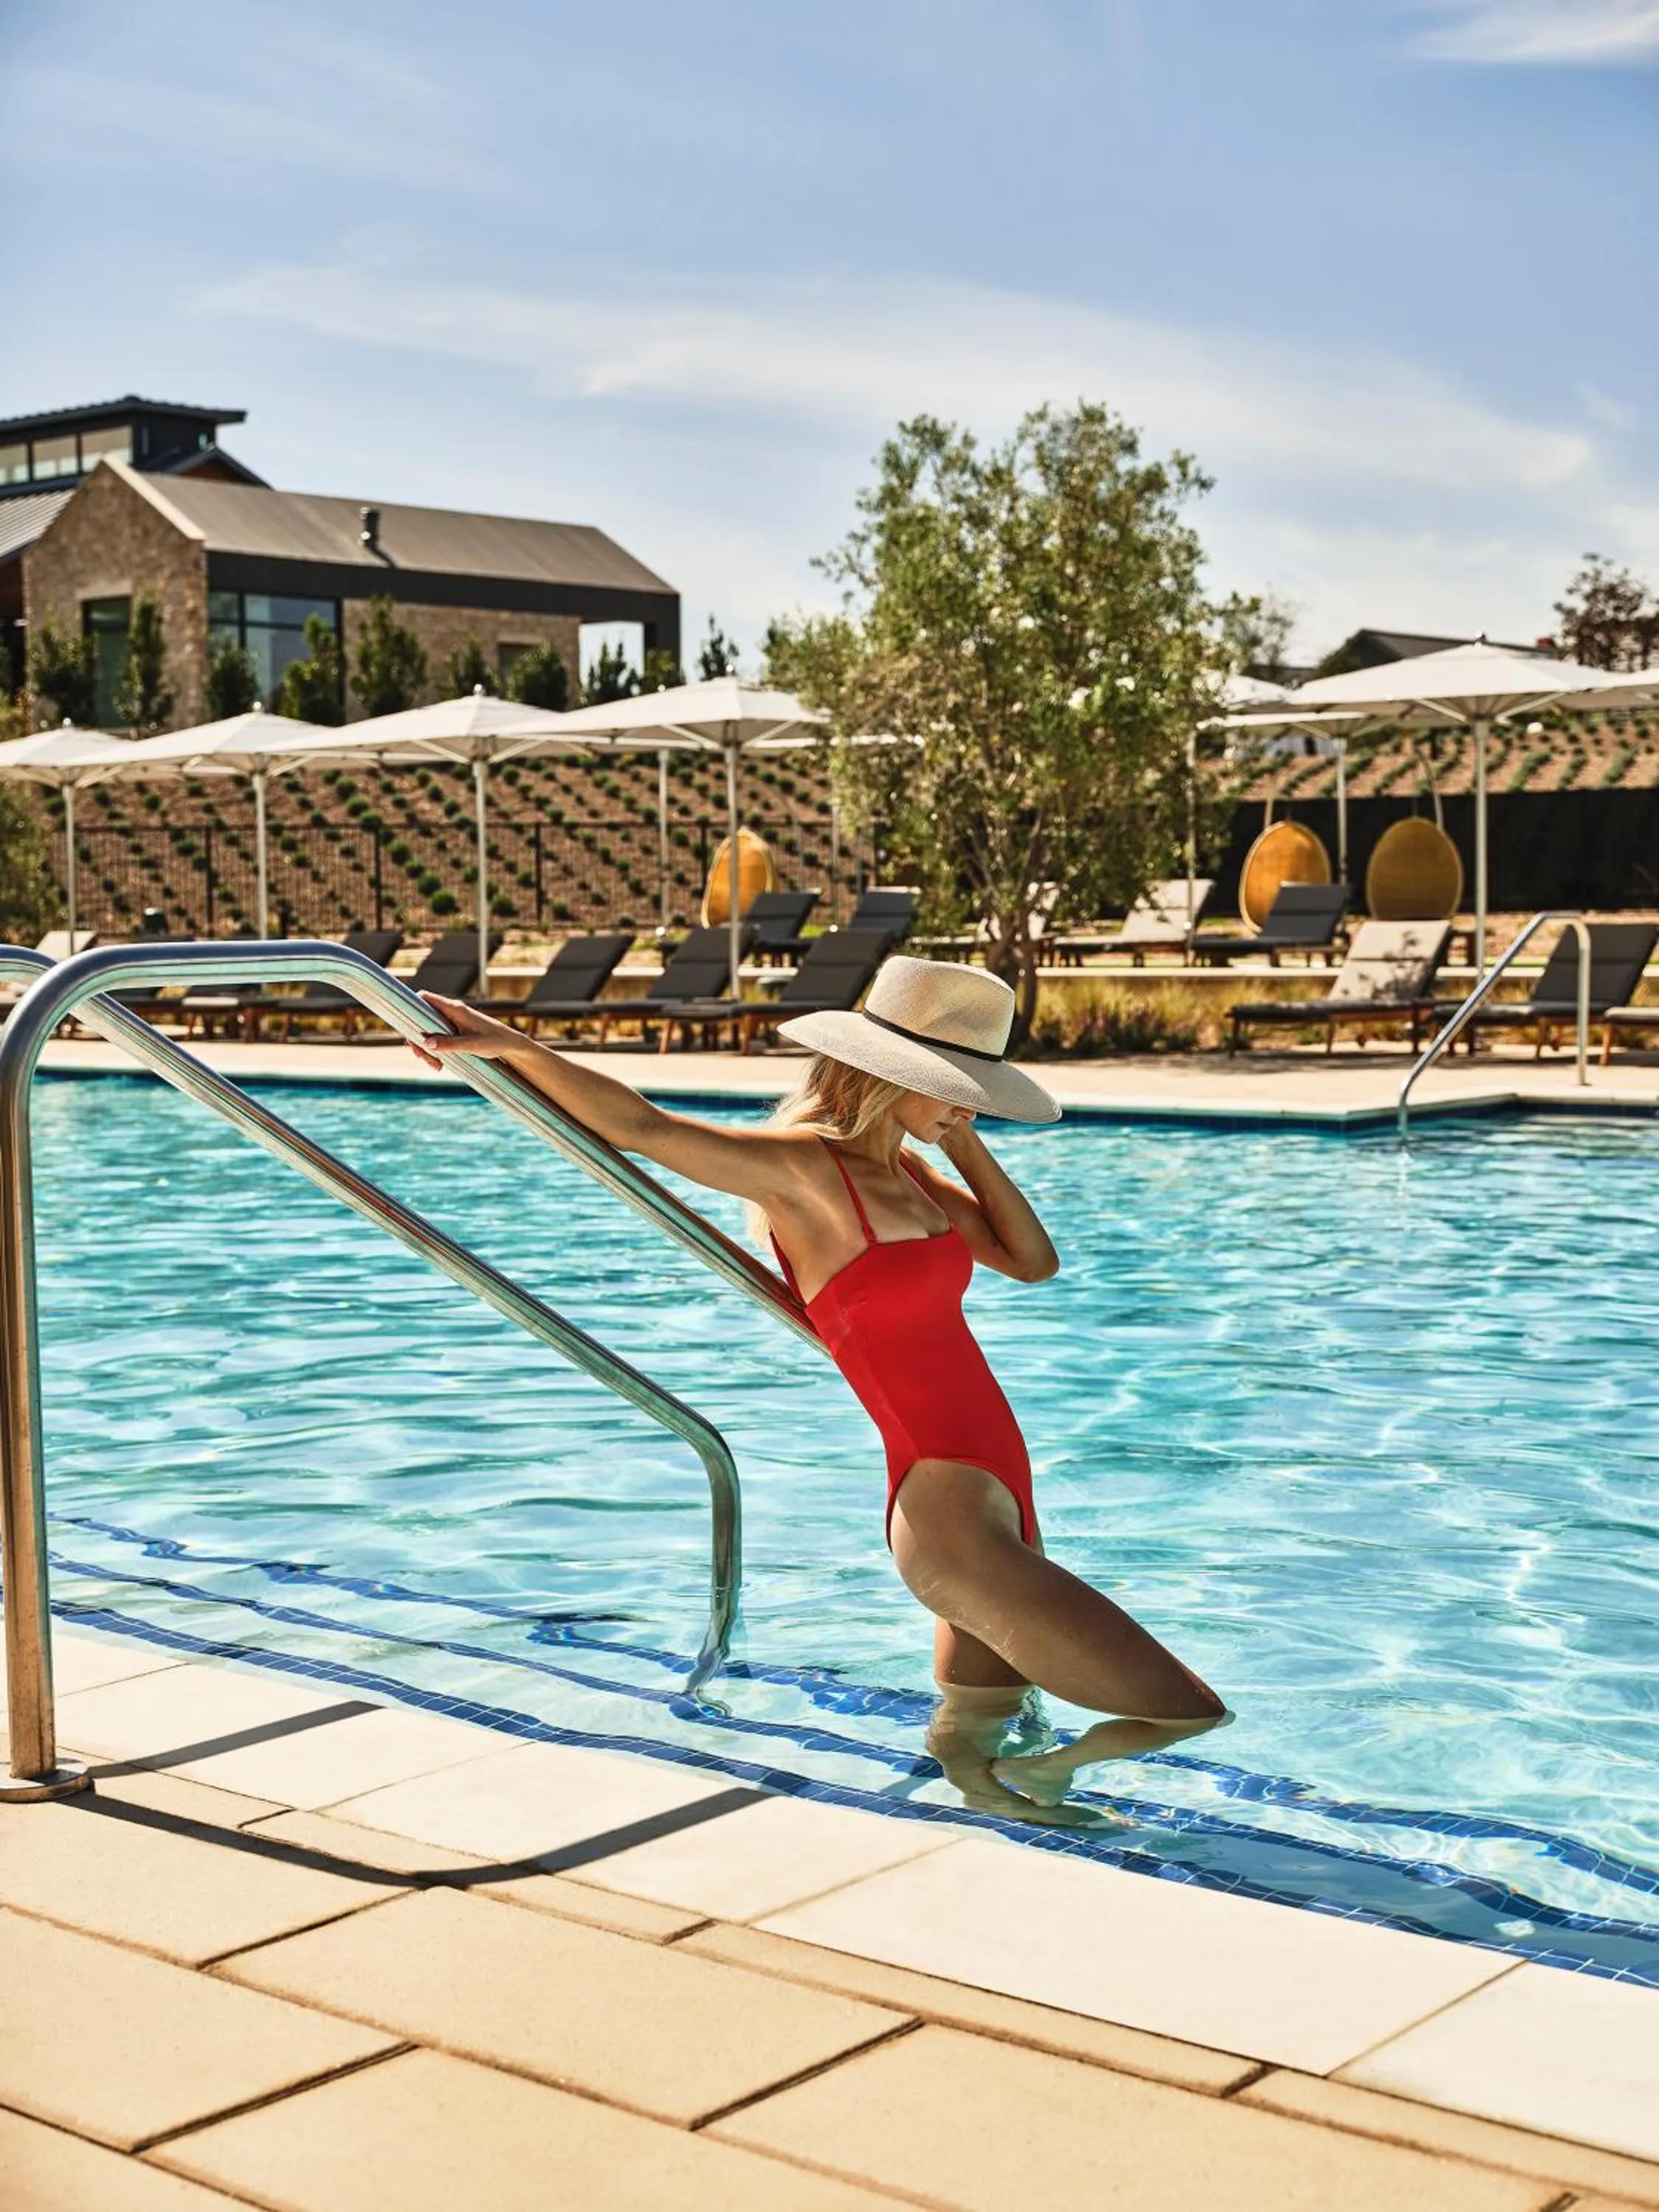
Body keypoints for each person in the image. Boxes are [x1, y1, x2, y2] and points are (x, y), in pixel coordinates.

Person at [410, 954, 1224, 1815]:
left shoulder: (913, 1177)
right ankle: (1047, 1775)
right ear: (886, 1073)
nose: (967, 1100)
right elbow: (643, 1129)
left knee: (981, 1716)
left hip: (1001, 1493)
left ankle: (983, 1819)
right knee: (1182, 1710)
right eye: (954, 1083)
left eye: (975, 1087)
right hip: (946, 1512)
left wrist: (959, 1135)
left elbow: (1032, 1261)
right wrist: (514, 1048)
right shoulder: (805, 1172)